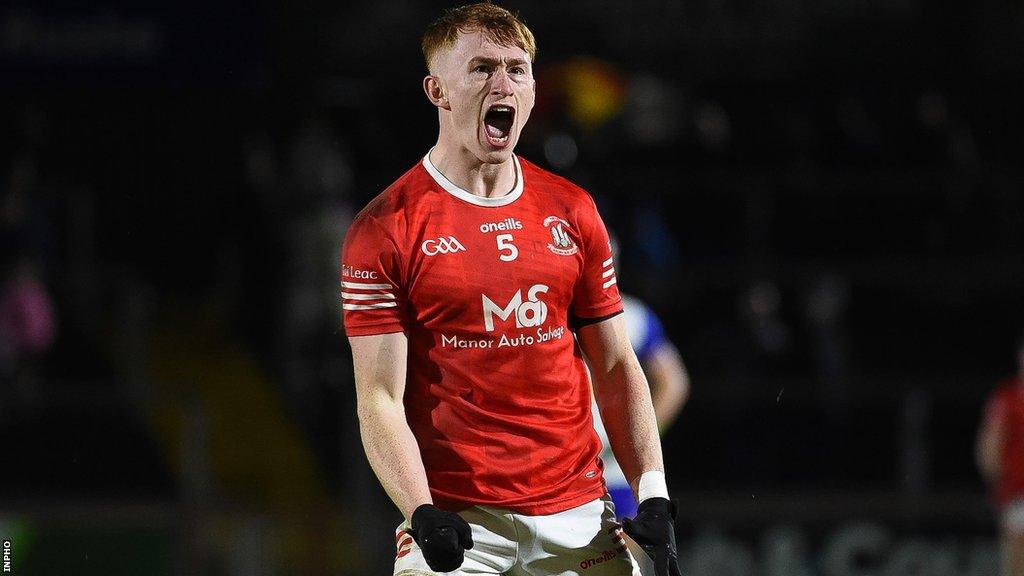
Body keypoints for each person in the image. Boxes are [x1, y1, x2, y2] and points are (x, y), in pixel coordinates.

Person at [340, 4, 681, 575]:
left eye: (516, 69)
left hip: (580, 517)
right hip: (456, 521)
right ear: (437, 90)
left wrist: (653, 490)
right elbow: (378, 398)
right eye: (480, 68)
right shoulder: (384, 229)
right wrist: (420, 511)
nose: (502, 83)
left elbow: (619, 366)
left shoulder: (572, 210)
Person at [593, 291, 689, 520]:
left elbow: (673, 384)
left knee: (626, 554)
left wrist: (639, 439)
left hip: (613, 470)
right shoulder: (543, 309)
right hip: (559, 468)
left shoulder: (633, 315)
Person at [977, 336, 1024, 576]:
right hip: (1019, 494)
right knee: (1017, 564)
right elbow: (990, 446)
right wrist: (1000, 487)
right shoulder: (1007, 398)